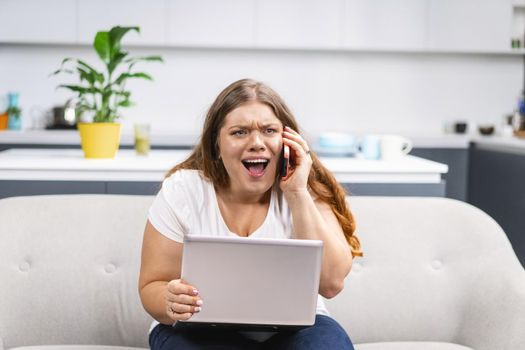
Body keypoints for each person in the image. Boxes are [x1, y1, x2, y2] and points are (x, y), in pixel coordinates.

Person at [139, 78, 363, 349]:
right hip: (200, 328)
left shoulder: (306, 189)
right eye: (239, 132)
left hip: (296, 329)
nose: (257, 143)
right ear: (217, 146)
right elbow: (152, 285)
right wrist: (169, 301)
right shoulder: (183, 190)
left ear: (288, 141)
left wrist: (297, 194)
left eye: (269, 130)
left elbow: (331, 284)